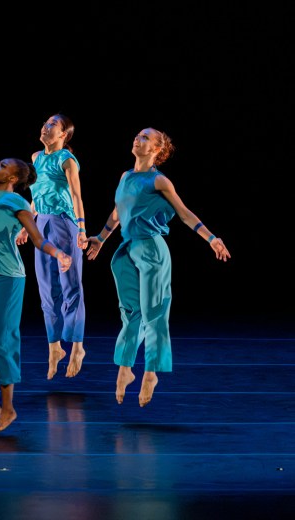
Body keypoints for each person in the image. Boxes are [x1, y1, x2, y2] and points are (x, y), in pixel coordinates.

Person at [85, 127, 231, 407]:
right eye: (138, 135)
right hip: (126, 250)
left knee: (154, 312)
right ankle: (125, 370)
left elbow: (184, 213)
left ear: (156, 150)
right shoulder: (125, 176)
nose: (137, 138)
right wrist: (101, 239)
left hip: (151, 248)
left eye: (144, 137)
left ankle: (151, 372)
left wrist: (212, 238)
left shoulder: (160, 181)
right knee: (130, 312)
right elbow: (118, 211)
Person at [0, 158, 72, 435]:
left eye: (3, 165)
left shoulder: (17, 202)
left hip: (8, 279)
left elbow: (36, 238)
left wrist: (59, 253)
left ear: (14, 178)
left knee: (1, 341)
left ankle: (8, 408)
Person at [17, 114, 88, 380]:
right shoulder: (36, 158)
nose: (45, 127)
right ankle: (54, 347)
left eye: (51, 126)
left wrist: (82, 229)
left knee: (71, 286)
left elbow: (76, 195)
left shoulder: (66, 159)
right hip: (42, 224)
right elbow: (36, 196)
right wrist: (27, 226)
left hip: (64, 224)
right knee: (46, 289)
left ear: (63, 135)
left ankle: (78, 346)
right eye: (45, 123)